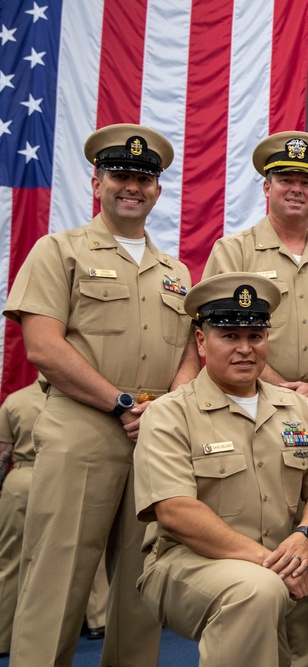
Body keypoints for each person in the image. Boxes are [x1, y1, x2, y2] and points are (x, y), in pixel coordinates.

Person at [2, 123, 200, 666]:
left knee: (142, 586)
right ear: (96, 182)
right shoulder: (57, 251)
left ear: (157, 190)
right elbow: (43, 346)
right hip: (82, 428)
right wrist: (121, 403)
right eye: (119, 175)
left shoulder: (176, 272)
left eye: (143, 177)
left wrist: (163, 407)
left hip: (153, 435)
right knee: (57, 578)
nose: (131, 186)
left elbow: (189, 350)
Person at [133, 273, 308, 667]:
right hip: (186, 565)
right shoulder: (169, 413)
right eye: (229, 336)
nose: (245, 349)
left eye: (255, 336)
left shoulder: (296, 407)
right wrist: (270, 561)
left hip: (277, 561)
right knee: (257, 589)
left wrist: (305, 535)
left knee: (264, 593)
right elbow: (175, 512)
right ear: (200, 341)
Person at [203, 130, 308, 666]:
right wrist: (274, 385)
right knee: (257, 525)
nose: (297, 189)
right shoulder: (235, 250)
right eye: (287, 180)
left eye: (307, 182)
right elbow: (216, 328)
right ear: (267, 187)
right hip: (248, 408)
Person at [0, 376, 110, 655]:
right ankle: (99, 620)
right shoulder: (86, 396)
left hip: (21, 479)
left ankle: (4, 635)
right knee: (89, 550)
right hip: (71, 475)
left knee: (11, 560)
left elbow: (3, 453)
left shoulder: (14, 401)